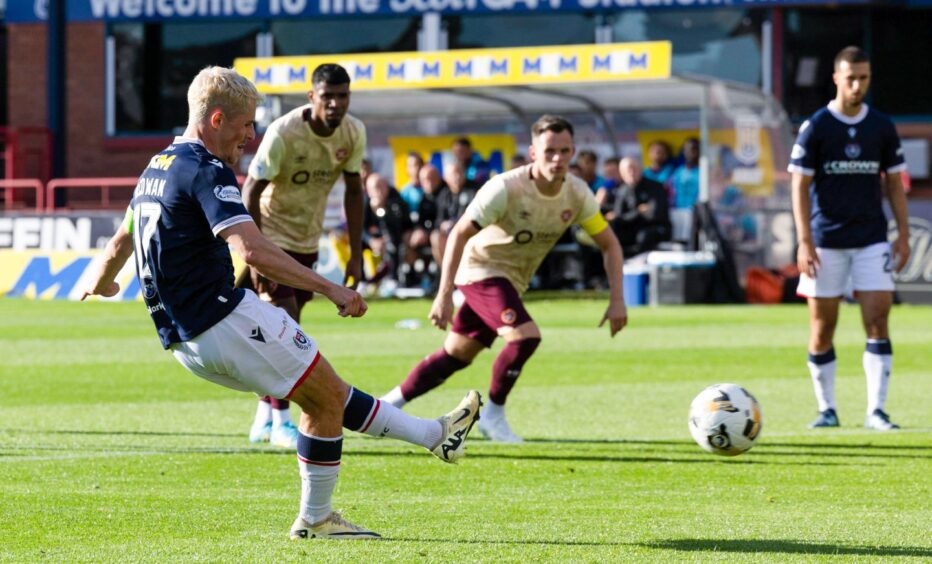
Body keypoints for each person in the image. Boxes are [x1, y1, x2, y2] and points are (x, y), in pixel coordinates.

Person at [80, 66, 481, 540]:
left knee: (324, 395)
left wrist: (103, 281)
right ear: (215, 119)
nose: (250, 135)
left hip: (183, 341)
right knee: (326, 394)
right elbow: (250, 249)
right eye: (245, 124)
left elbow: (119, 243)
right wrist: (333, 288)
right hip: (223, 318)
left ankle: (434, 438)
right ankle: (320, 515)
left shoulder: (155, 167)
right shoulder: (206, 169)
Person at [381, 115, 628, 442]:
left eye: (565, 151)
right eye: (549, 150)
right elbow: (457, 234)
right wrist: (443, 295)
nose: (557, 158)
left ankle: (388, 405)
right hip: (480, 271)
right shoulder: (505, 188)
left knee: (457, 354)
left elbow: (610, 244)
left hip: (511, 282)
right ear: (532, 152)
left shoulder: (577, 194)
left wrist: (617, 299)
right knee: (525, 337)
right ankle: (493, 416)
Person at [240, 63, 366, 449]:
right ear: (312, 97)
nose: (335, 103)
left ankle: (264, 417)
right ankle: (281, 421)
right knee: (286, 327)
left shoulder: (353, 132)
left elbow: (353, 192)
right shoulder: (284, 132)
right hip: (271, 240)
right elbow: (251, 190)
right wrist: (255, 253)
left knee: (281, 330)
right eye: (327, 96)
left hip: (307, 242)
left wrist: (356, 255)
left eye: (342, 96)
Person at [788, 46, 910, 431]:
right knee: (822, 328)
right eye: (851, 78)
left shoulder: (881, 127)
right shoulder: (817, 126)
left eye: (864, 78)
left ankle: (876, 411)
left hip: (872, 239)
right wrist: (804, 239)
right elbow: (799, 184)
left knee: (878, 320)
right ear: (837, 78)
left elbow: (894, 183)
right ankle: (827, 409)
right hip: (826, 242)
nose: (858, 85)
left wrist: (903, 233)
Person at [610, 157, 672, 257]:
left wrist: (632, 215)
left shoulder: (655, 187)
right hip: (632, 227)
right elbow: (619, 216)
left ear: (640, 169)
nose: (631, 172)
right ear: (622, 174)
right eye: (627, 170)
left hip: (655, 228)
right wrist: (638, 212)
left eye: (633, 168)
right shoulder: (622, 191)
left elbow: (654, 214)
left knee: (643, 236)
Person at [363, 173, 413, 285]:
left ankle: (393, 278)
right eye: (376, 188)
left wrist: (381, 209)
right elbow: (362, 228)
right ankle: (362, 280)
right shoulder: (364, 202)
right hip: (373, 239)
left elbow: (398, 224)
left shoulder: (395, 198)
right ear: (369, 190)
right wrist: (371, 240)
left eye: (382, 186)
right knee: (357, 244)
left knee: (392, 244)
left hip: (393, 237)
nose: (379, 191)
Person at [431, 160, 479, 265]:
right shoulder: (443, 195)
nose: (457, 176)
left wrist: (457, 223)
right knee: (435, 237)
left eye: (459, 172)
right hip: (449, 234)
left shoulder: (474, 190)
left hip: (469, 231)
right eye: (453, 173)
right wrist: (443, 224)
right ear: (446, 177)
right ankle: (448, 271)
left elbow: (476, 215)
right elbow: (438, 221)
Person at [669, 138, 700, 210]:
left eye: (693, 149)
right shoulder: (677, 172)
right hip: (677, 212)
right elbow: (671, 194)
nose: (689, 152)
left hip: (697, 213)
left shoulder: (704, 172)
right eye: (686, 149)